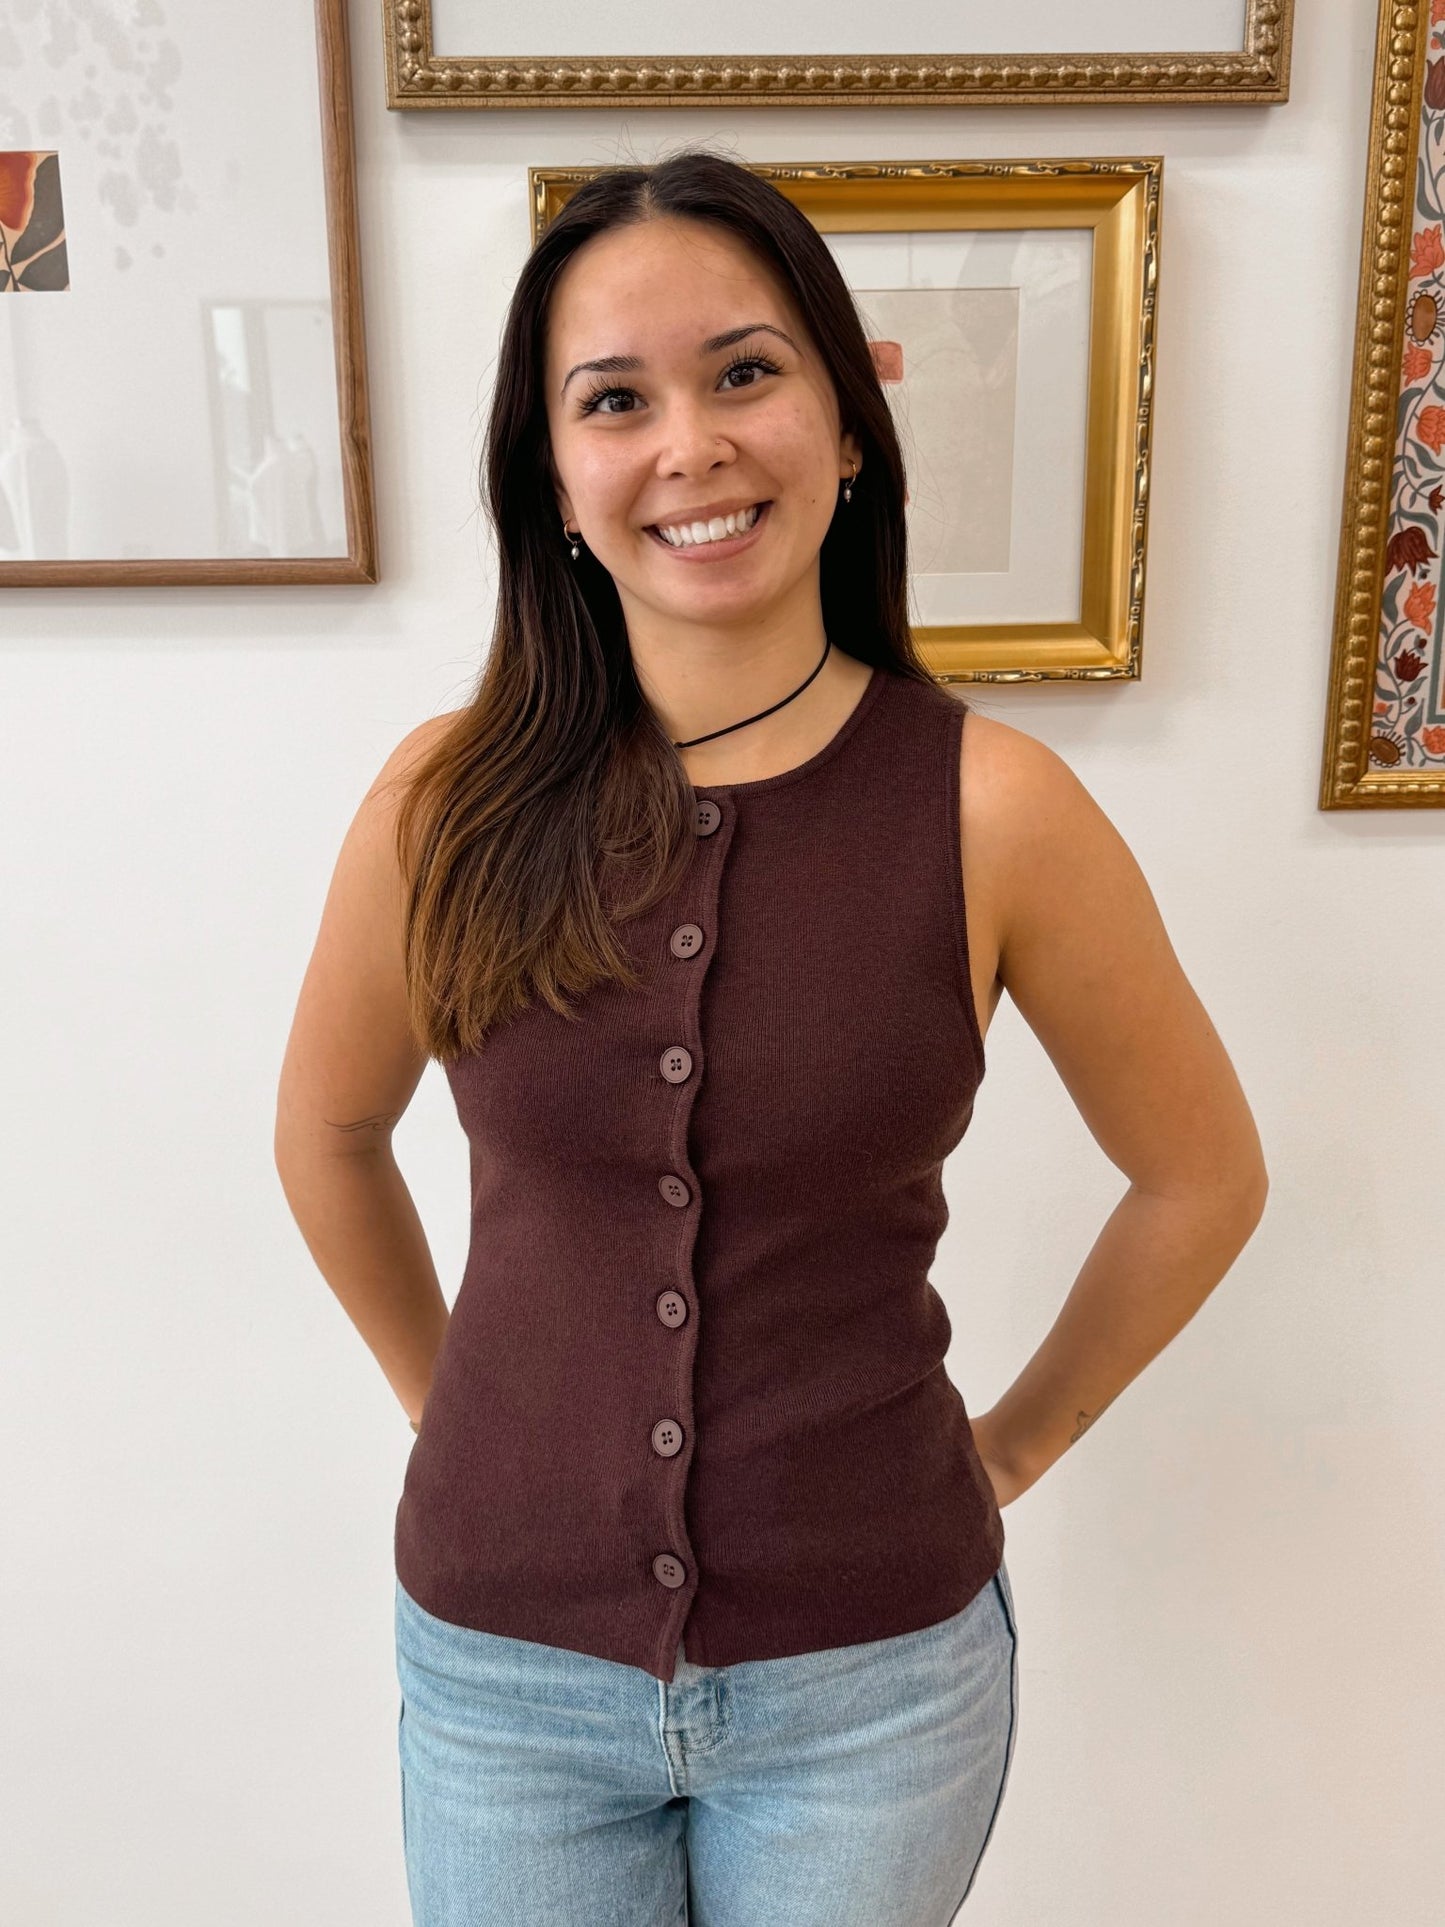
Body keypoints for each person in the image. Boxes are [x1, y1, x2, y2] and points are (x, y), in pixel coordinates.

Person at [273, 149, 1269, 1927]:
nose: (690, 444)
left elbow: (1198, 1177)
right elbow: (326, 1139)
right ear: (551, 476)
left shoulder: (992, 812)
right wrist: (468, 1424)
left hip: (872, 1685)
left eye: (744, 371)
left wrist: (1012, 1447)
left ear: (846, 416)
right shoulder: (442, 805)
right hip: (504, 1680)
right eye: (614, 399)